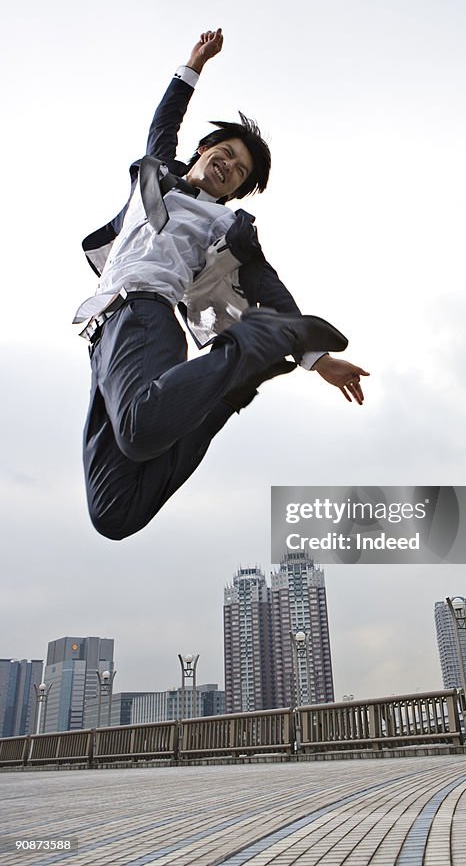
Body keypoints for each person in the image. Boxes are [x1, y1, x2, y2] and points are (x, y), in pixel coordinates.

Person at [74, 28, 368, 541]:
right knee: (113, 512)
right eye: (226, 154)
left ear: (236, 191)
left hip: (145, 316)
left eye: (239, 172)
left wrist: (314, 357)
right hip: (101, 336)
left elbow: (272, 293)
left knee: (143, 431)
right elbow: (163, 126)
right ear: (204, 151)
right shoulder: (159, 178)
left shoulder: (223, 229)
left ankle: (248, 348)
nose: (229, 167)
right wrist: (193, 65)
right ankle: (230, 390)